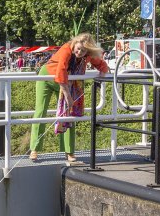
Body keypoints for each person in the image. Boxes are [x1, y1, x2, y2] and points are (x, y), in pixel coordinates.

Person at [29, 33, 109, 163]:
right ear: (74, 44)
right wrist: (68, 97)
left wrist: (102, 76)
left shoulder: (87, 55)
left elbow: (102, 65)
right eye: (78, 49)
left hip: (66, 82)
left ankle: (69, 151)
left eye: (83, 51)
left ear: (88, 51)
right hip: (47, 77)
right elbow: (61, 71)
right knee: (41, 111)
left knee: (69, 115)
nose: (79, 52)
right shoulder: (66, 49)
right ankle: (34, 149)